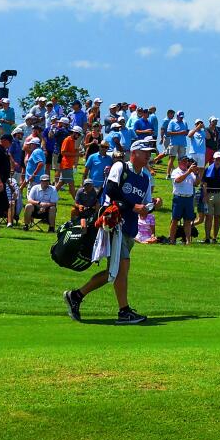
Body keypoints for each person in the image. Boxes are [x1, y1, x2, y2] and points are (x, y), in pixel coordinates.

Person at [62, 137, 154, 325]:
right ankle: (122, 310)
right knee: (119, 269)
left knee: (117, 271)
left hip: (129, 228)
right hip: (114, 225)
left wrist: (152, 206)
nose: (149, 155)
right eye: (145, 152)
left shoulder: (146, 177)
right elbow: (111, 191)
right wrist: (134, 207)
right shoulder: (120, 168)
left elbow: (143, 205)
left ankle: (77, 296)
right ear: (134, 153)